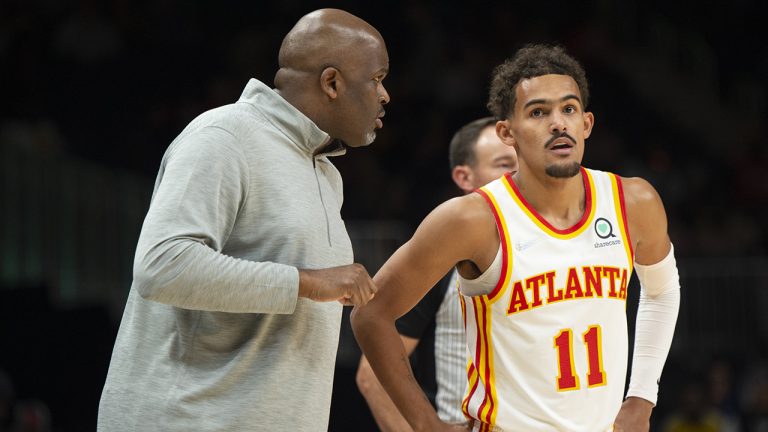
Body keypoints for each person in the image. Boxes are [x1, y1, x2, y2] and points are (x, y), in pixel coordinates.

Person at [352, 43, 680, 432]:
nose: (558, 123)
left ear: (587, 124)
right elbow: (371, 314)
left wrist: (641, 398)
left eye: (569, 109)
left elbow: (662, 292)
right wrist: (427, 426)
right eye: (538, 112)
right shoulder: (473, 219)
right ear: (507, 132)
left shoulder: (633, 201)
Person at [97, 9, 388, 431]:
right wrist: (307, 281)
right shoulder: (224, 136)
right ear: (332, 83)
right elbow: (162, 266)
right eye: (378, 78)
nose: (385, 95)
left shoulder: (326, 173)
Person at [355, 117, 518, 430]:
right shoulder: (442, 256)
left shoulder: (555, 247)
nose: (516, 174)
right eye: (502, 164)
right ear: (464, 176)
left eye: (520, 162)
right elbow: (372, 374)